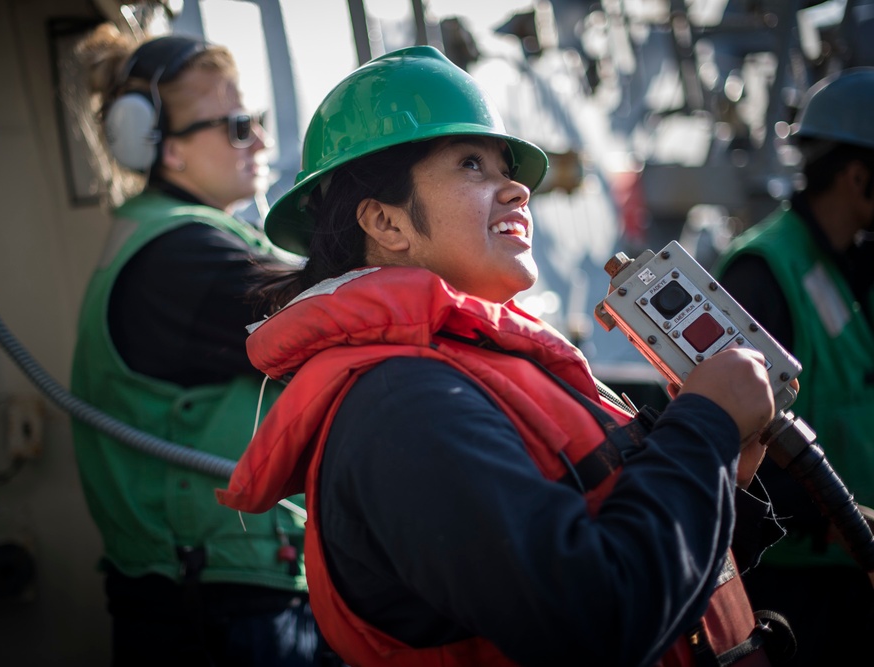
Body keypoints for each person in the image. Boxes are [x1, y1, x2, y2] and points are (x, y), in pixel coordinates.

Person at [217, 45, 791, 666]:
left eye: (505, 168)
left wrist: (716, 475)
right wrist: (702, 432)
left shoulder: (459, 371)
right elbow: (595, 618)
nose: (517, 188)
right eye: (472, 165)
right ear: (385, 223)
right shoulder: (404, 408)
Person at [69, 25, 337, 667]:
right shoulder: (178, 256)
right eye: (238, 125)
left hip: (222, 585)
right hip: (216, 606)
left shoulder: (176, 237)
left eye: (259, 121)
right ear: (165, 150)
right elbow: (333, 304)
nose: (263, 141)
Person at [713, 67, 874, 666]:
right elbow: (730, 446)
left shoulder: (857, 266)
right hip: (798, 595)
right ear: (859, 177)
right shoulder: (761, 274)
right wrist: (837, 519)